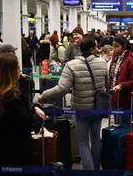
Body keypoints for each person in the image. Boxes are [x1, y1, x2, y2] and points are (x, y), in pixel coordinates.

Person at [38, 36, 107, 170]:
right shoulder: (102, 62)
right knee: (95, 138)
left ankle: (89, 171)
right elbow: (106, 85)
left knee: (83, 141)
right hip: (98, 107)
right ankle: (97, 169)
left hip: (80, 109)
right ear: (93, 48)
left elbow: (62, 88)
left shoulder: (72, 65)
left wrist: (44, 95)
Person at [0, 52, 45, 165]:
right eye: (18, 68)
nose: (20, 71)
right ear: (10, 72)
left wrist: (33, 108)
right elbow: (30, 123)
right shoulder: (11, 97)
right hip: (13, 153)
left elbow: (20, 114)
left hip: (0, 148)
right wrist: (38, 112)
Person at [109, 36, 133, 125]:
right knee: (117, 124)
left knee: (124, 125)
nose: (114, 49)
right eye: (113, 46)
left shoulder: (132, 59)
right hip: (115, 97)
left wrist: (122, 85)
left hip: (125, 98)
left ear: (124, 46)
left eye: (116, 46)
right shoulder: (115, 57)